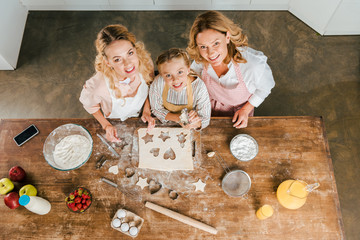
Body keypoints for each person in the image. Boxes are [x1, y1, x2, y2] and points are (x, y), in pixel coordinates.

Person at [187, 10, 275, 128]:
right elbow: (193, 79)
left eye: (216, 43)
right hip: (209, 107)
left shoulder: (252, 65)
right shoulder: (200, 60)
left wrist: (246, 110)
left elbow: (264, 89)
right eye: (203, 47)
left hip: (238, 113)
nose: (210, 53)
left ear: (227, 37)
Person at [79, 24, 155, 142]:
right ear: (108, 62)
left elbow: (150, 85)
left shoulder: (145, 63)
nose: (128, 63)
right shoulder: (98, 86)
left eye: (130, 53)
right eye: (117, 59)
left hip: (140, 117)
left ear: (135, 50)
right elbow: (90, 105)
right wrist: (106, 125)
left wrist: (146, 110)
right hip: (116, 121)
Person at [149, 48, 211, 130]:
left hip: (190, 128)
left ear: (188, 69)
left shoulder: (199, 87)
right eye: (168, 75)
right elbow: (156, 109)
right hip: (163, 126)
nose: (175, 79)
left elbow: (205, 119)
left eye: (180, 72)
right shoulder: (158, 82)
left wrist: (196, 122)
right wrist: (178, 118)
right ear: (162, 75)